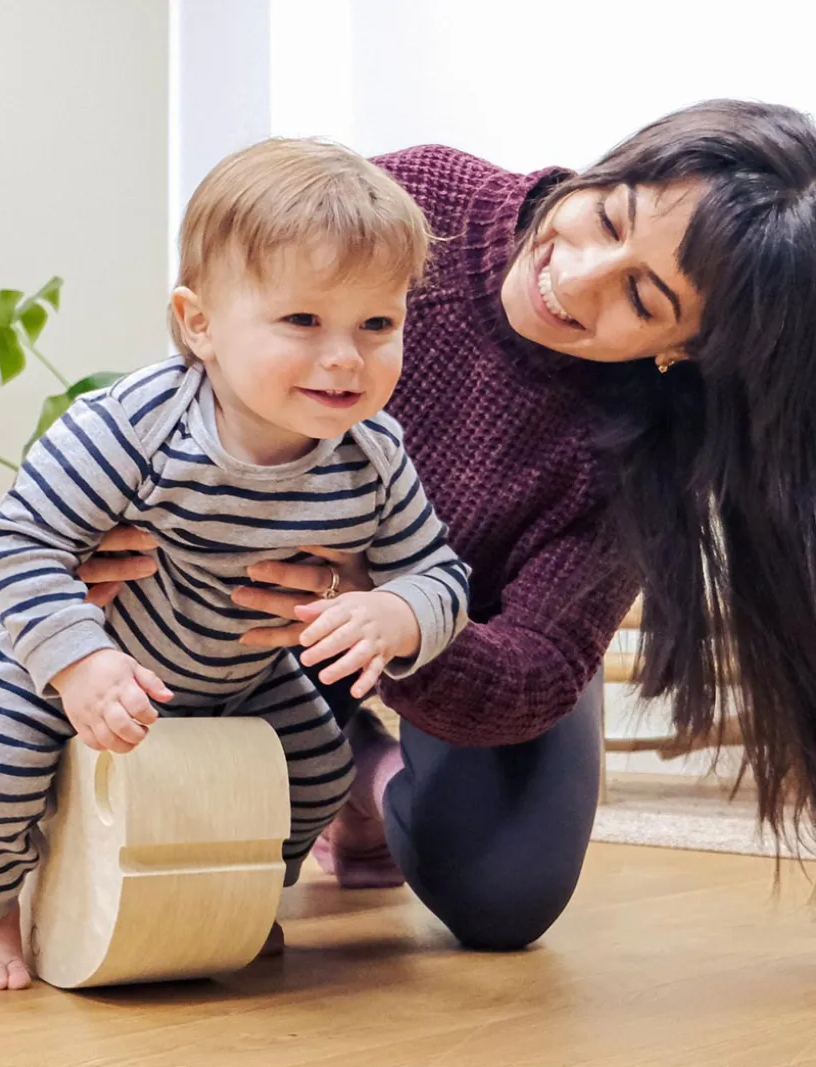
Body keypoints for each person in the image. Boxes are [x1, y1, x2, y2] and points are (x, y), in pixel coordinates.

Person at [82, 99, 816, 950]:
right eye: (607, 215)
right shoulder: (418, 200)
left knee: (508, 895)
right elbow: (220, 345)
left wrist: (386, 613)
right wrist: (123, 536)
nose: (574, 277)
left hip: (454, 630)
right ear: (609, 165)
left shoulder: (637, 455)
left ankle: (369, 776)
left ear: (682, 351)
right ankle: (342, 764)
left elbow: (537, 668)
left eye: (640, 297)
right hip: (247, 594)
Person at [0, 137, 472, 991]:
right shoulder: (134, 427)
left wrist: (397, 612)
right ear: (200, 324)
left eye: (377, 324)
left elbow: (437, 572)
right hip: (70, 664)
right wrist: (79, 662)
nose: (345, 357)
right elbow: (23, 541)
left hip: (241, 679)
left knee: (320, 768)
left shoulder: (373, 455)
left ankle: (244, 899)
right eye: (302, 321)